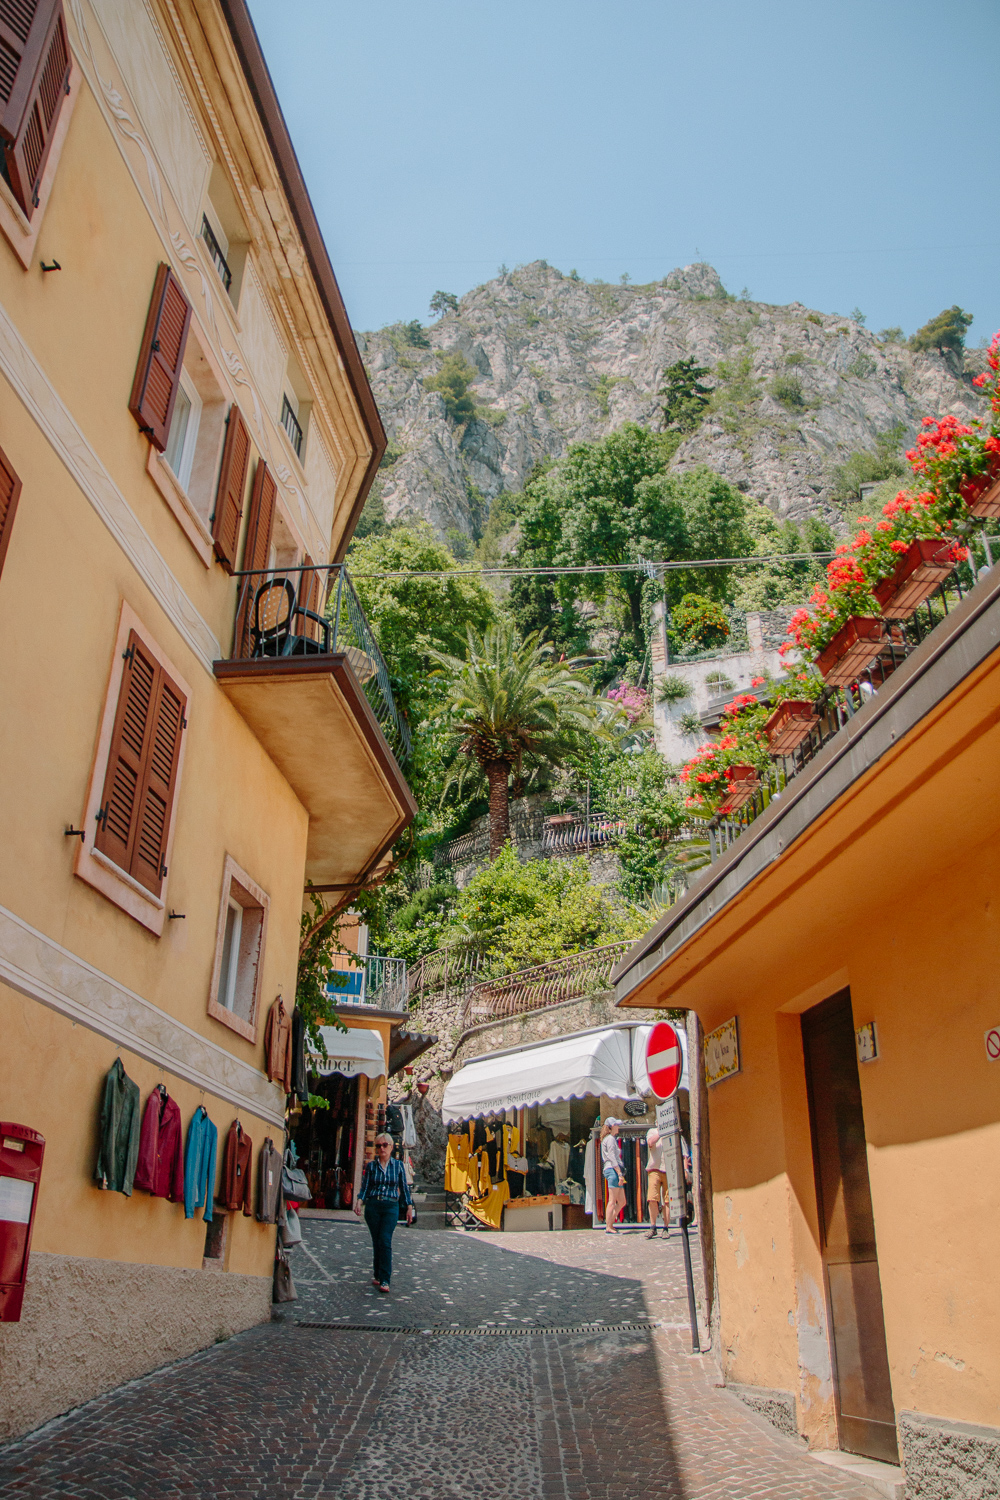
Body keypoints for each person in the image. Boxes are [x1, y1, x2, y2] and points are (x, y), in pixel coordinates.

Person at [354, 1132, 414, 1292]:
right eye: (378, 1146)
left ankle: (385, 1279)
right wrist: (359, 1201)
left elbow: (404, 1187)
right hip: (374, 1206)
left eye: (385, 1145)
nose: (382, 1148)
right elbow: (365, 1187)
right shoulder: (372, 1166)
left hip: (390, 1207)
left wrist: (409, 1206)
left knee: (385, 1240)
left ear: (391, 1147)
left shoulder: (398, 1166)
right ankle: (377, 1273)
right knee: (377, 1240)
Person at [599, 1118, 626, 1234]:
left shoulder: (609, 1139)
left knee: (622, 1201)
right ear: (612, 1126)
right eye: (617, 1125)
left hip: (613, 1170)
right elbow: (612, 1157)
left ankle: (609, 1223)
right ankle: (608, 1226)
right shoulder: (610, 1139)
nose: (618, 1127)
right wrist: (619, 1173)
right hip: (613, 1170)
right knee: (612, 1201)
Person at [644, 1127, 670, 1239]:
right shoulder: (652, 1131)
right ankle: (653, 1227)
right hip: (654, 1169)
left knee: (667, 1200)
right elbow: (650, 1142)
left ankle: (666, 1228)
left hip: (668, 1169)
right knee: (652, 1199)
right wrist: (661, 1132)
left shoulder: (671, 1132)